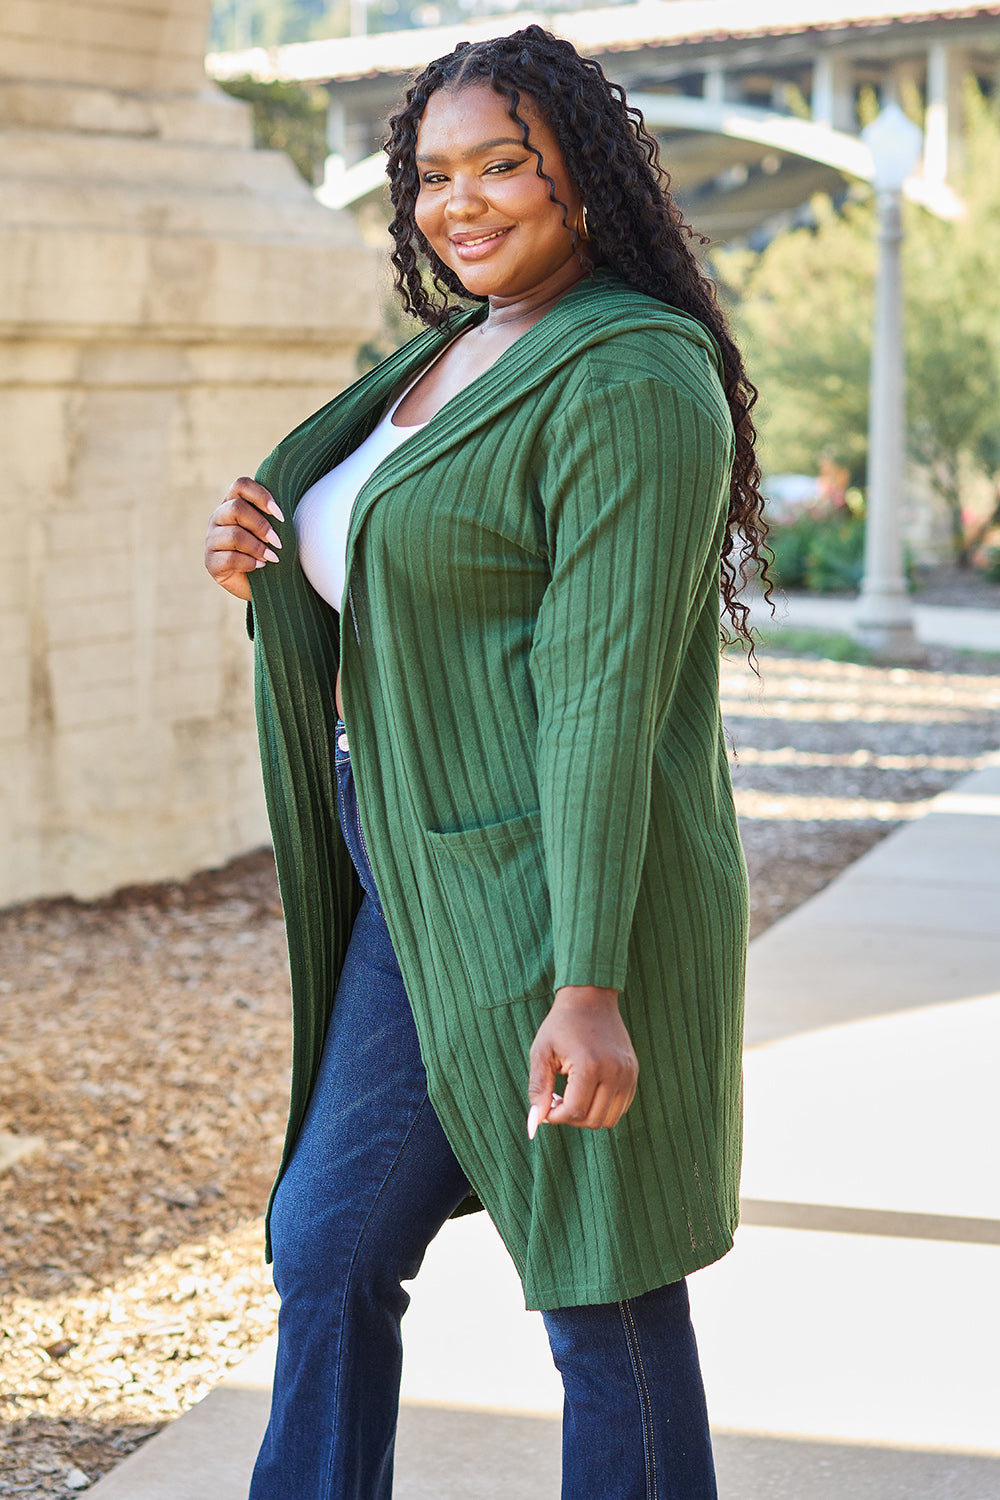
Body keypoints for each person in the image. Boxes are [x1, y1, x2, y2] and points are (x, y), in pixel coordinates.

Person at [204, 25, 768, 1500]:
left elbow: (599, 694)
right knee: (326, 1244)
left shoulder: (632, 376)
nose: (461, 202)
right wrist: (272, 565)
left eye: (501, 165)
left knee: (606, 1281)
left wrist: (592, 979)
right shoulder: (461, 345)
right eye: (434, 175)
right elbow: (408, 566)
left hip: (559, 881)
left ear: (584, 175)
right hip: (418, 873)